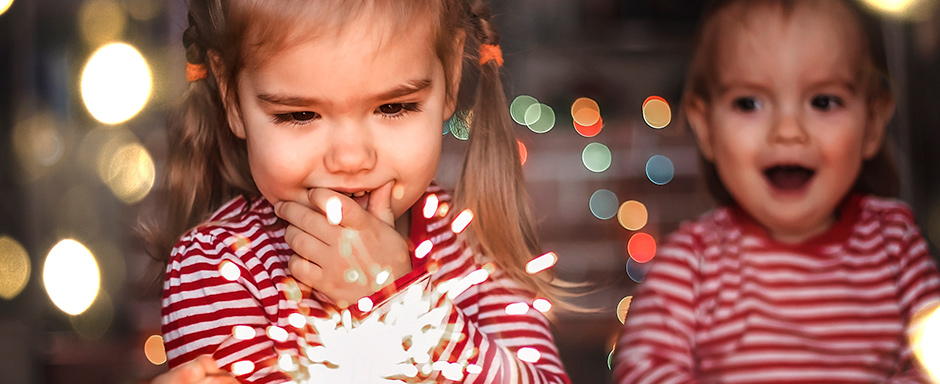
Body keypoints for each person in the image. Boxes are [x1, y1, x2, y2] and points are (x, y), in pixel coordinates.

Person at [145, 0, 570, 382]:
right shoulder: (216, 268)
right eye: (299, 114)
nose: (351, 158)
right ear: (232, 98)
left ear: (452, 76)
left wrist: (404, 305)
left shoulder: (475, 241)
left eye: (393, 107)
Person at [614, 0, 940, 383]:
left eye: (823, 101)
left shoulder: (896, 246)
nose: (788, 130)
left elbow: (928, 364)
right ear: (704, 127)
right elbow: (641, 373)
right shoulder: (690, 265)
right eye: (749, 103)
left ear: (872, 123)